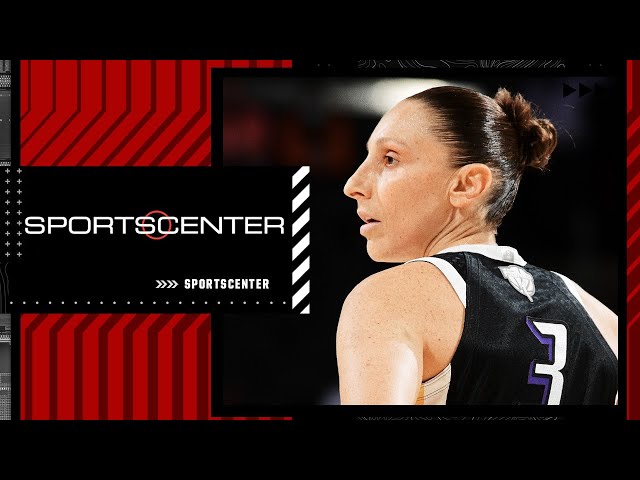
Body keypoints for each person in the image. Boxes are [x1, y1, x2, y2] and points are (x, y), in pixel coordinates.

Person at [338, 86, 618, 405]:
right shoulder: (606, 324)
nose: (353, 185)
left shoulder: (388, 300)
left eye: (389, 159)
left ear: (467, 184)